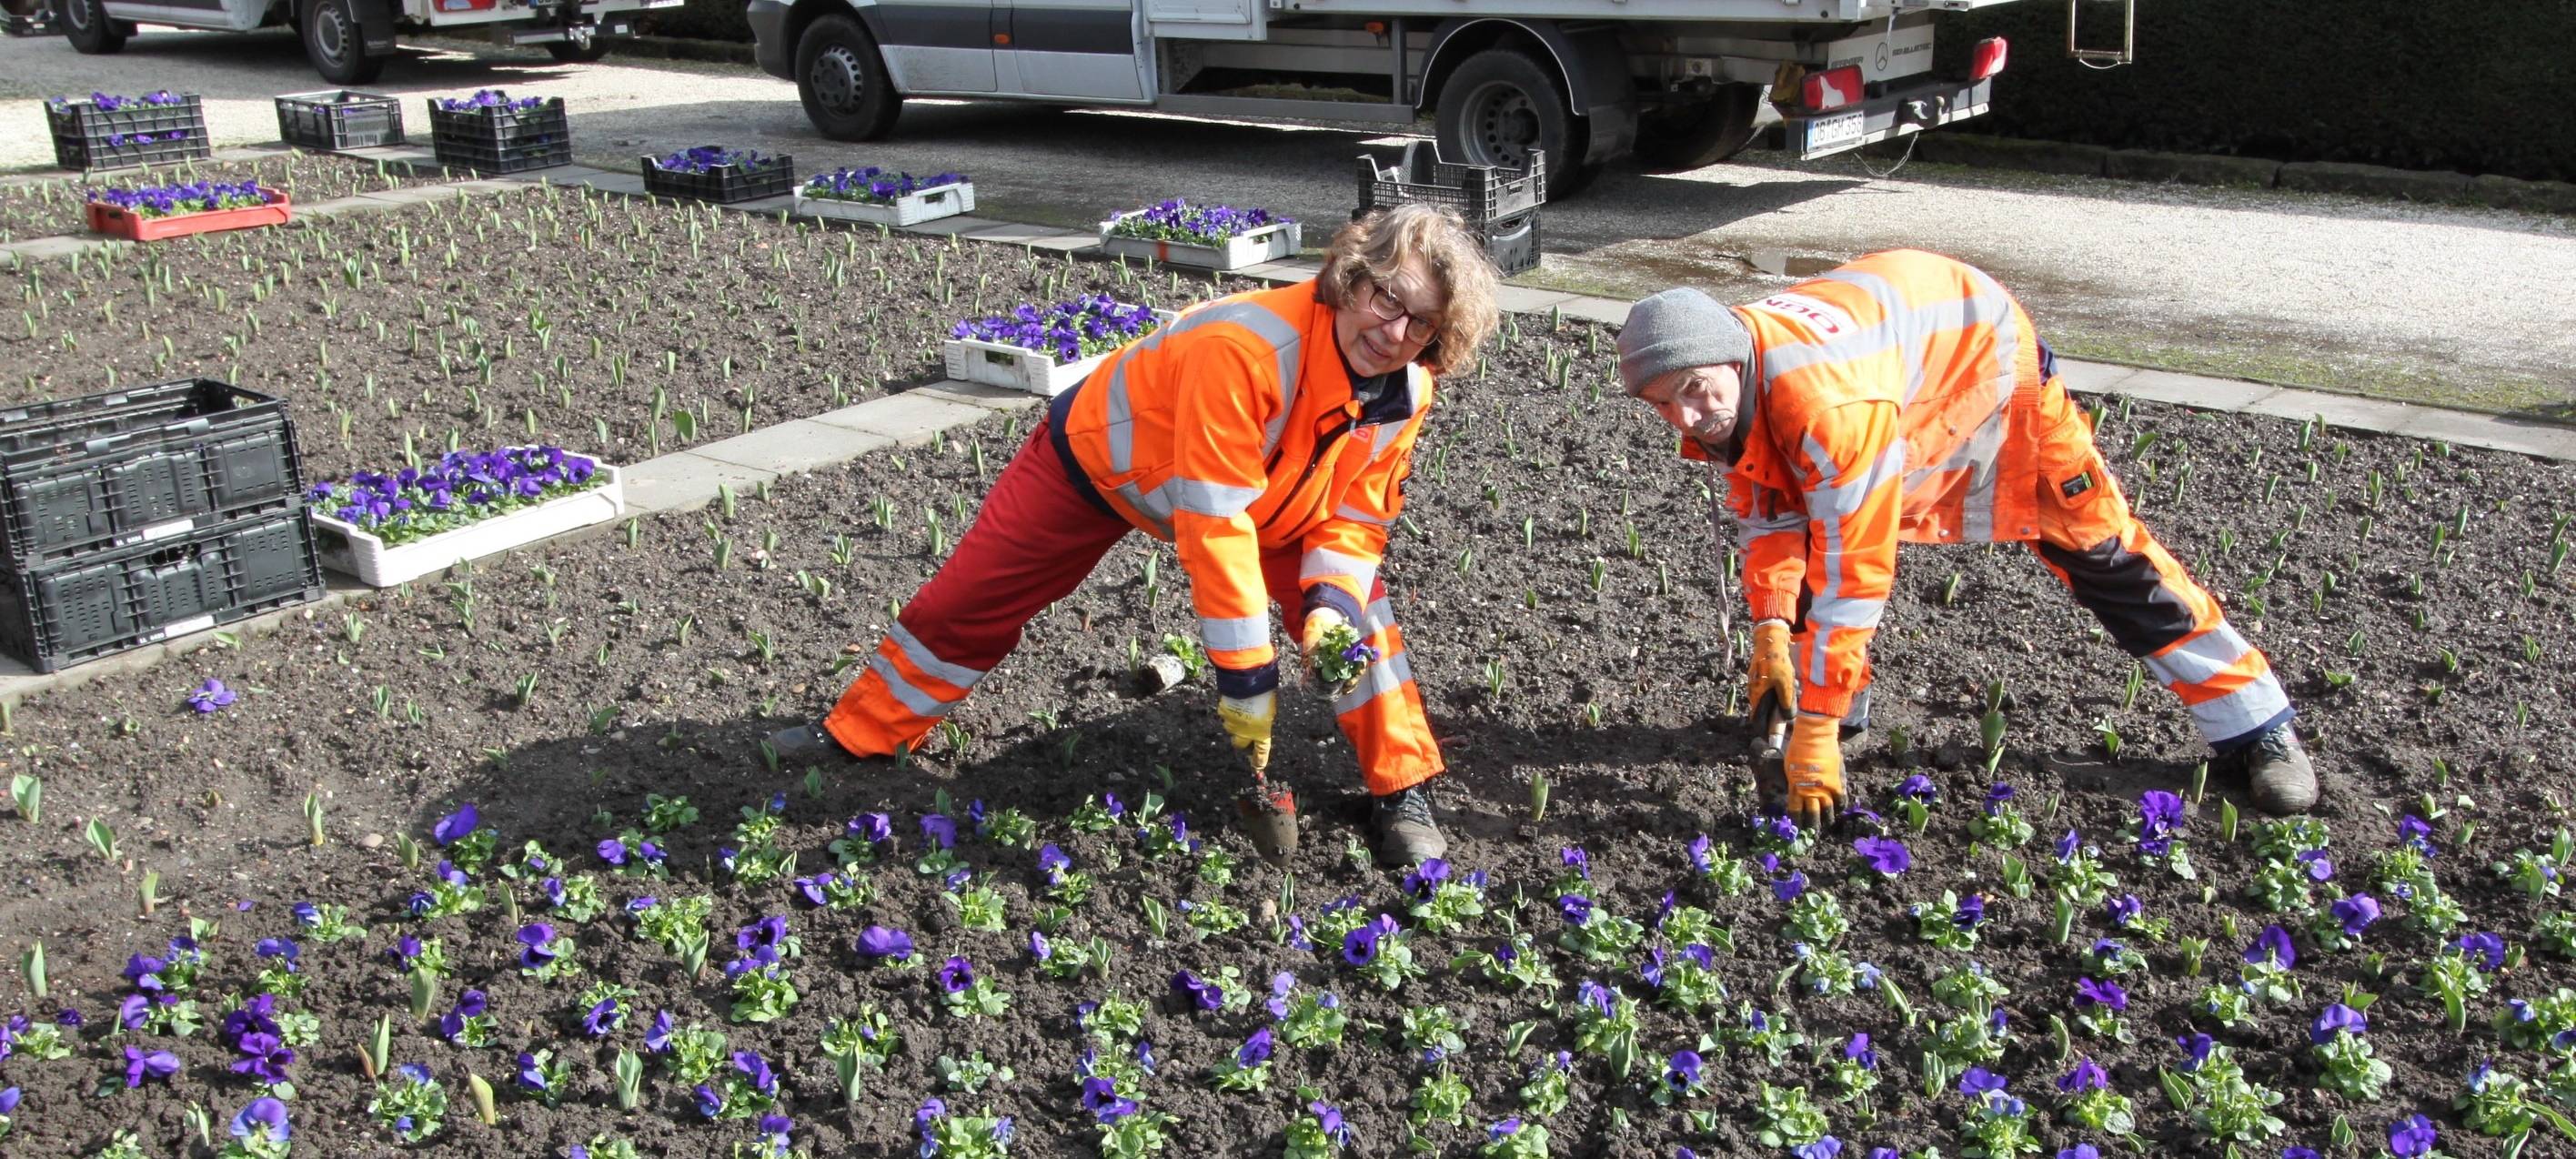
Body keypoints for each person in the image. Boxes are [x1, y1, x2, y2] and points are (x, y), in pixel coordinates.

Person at [768, 202, 1501, 865]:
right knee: (971, 598)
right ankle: (863, 728)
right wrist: (1248, 683)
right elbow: (1215, 526)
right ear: (1351, 277)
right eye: (1387, 298)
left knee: (1361, 631)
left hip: (1276, 506)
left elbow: (1358, 515)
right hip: (1099, 466)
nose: (1395, 331)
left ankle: (1402, 788)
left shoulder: (1406, 391)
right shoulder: (1247, 351)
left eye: (1423, 322)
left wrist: (1330, 606)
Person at [1615, 248, 2318, 828]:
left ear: (1732, 361)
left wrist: (1817, 723)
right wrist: (1770, 625)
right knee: (1806, 562)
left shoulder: (1829, 407)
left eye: (1697, 390)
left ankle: (2257, 726)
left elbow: (1854, 570)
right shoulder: (1730, 380)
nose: (1687, 417)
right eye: (1663, 403)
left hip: (1982, 361)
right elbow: (1772, 511)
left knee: (2104, 554)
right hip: (1900, 364)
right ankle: (1837, 711)